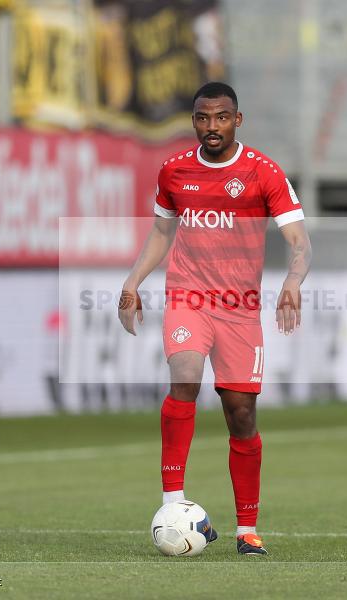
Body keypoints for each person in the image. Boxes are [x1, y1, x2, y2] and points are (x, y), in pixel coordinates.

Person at [118, 81, 311, 556]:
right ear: (193, 121)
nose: (212, 126)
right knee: (184, 376)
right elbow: (161, 233)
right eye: (203, 118)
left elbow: (300, 242)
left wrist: (292, 280)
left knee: (240, 413)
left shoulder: (263, 172)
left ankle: (247, 529)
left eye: (222, 117)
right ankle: (173, 503)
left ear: (237, 120)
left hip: (240, 309)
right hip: (189, 295)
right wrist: (133, 281)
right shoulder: (175, 170)